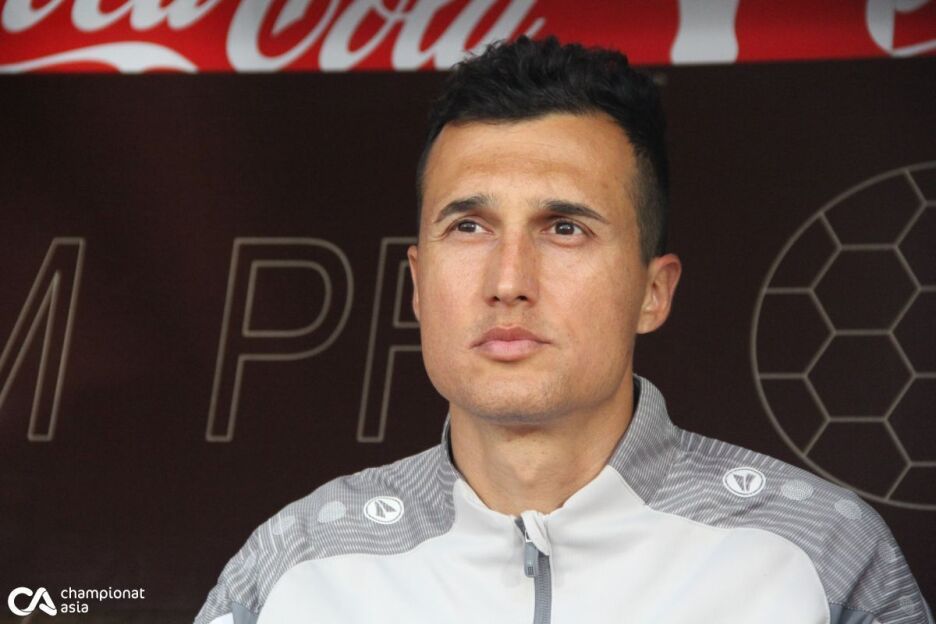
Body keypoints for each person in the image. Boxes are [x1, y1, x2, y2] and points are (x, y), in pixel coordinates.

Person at [194, 36, 932, 624]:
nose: (508, 279)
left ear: (653, 292)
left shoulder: (820, 552)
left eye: (565, 228)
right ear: (417, 284)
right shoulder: (299, 563)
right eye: (470, 226)